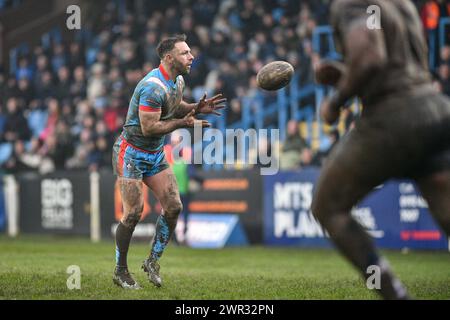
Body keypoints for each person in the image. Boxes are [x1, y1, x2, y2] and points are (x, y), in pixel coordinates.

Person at [312, 0, 450, 299]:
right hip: (434, 109)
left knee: (327, 205)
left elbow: (371, 57)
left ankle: (394, 294)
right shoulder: (402, 3)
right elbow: (392, 62)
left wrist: (336, 102)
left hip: (393, 117)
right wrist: (345, 73)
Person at [112, 34, 226, 289]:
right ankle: (120, 270)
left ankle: (152, 261)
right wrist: (183, 123)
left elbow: (173, 107)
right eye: (185, 52)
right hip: (131, 152)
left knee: (174, 205)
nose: (192, 56)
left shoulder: (178, 81)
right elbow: (149, 126)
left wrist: (196, 107)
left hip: (154, 153)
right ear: (168, 57)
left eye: (190, 52)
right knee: (133, 213)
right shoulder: (152, 86)